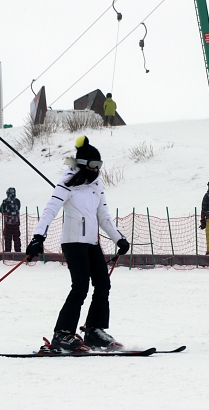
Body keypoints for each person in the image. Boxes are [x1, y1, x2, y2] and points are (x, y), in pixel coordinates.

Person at [26, 135, 130, 352]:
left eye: (99, 165)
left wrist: (118, 237)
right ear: (83, 165)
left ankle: (93, 330)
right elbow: (50, 210)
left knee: (103, 284)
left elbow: (104, 217)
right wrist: (38, 237)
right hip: (73, 242)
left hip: (91, 243)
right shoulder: (67, 183)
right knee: (80, 286)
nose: (96, 170)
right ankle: (62, 334)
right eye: (93, 165)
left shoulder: (96, 185)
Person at [0, 187, 22, 252]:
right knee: (16, 238)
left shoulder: (5, 201)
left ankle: (7, 252)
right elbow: (19, 208)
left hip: (8, 223)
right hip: (16, 222)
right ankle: (18, 251)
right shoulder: (17, 201)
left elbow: (1, 210)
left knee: (8, 238)